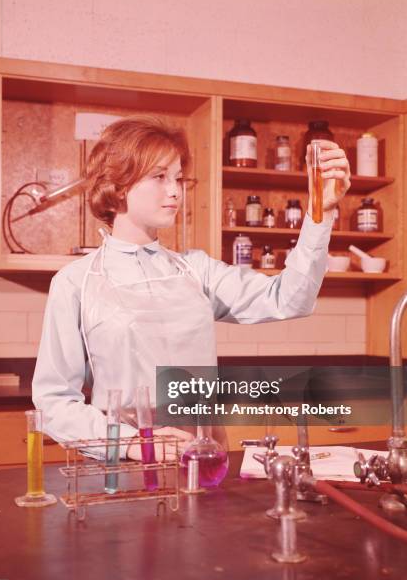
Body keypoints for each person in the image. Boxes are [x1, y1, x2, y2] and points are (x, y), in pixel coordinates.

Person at [32, 115, 351, 461]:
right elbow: (53, 403)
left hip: (203, 453)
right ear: (118, 186)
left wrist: (322, 210)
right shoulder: (75, 282)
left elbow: (291, 299)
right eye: (159, 177)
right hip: (125, 463)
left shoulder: (196, 270)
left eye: (178, 178)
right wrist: (133, 444)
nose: (175, 190)